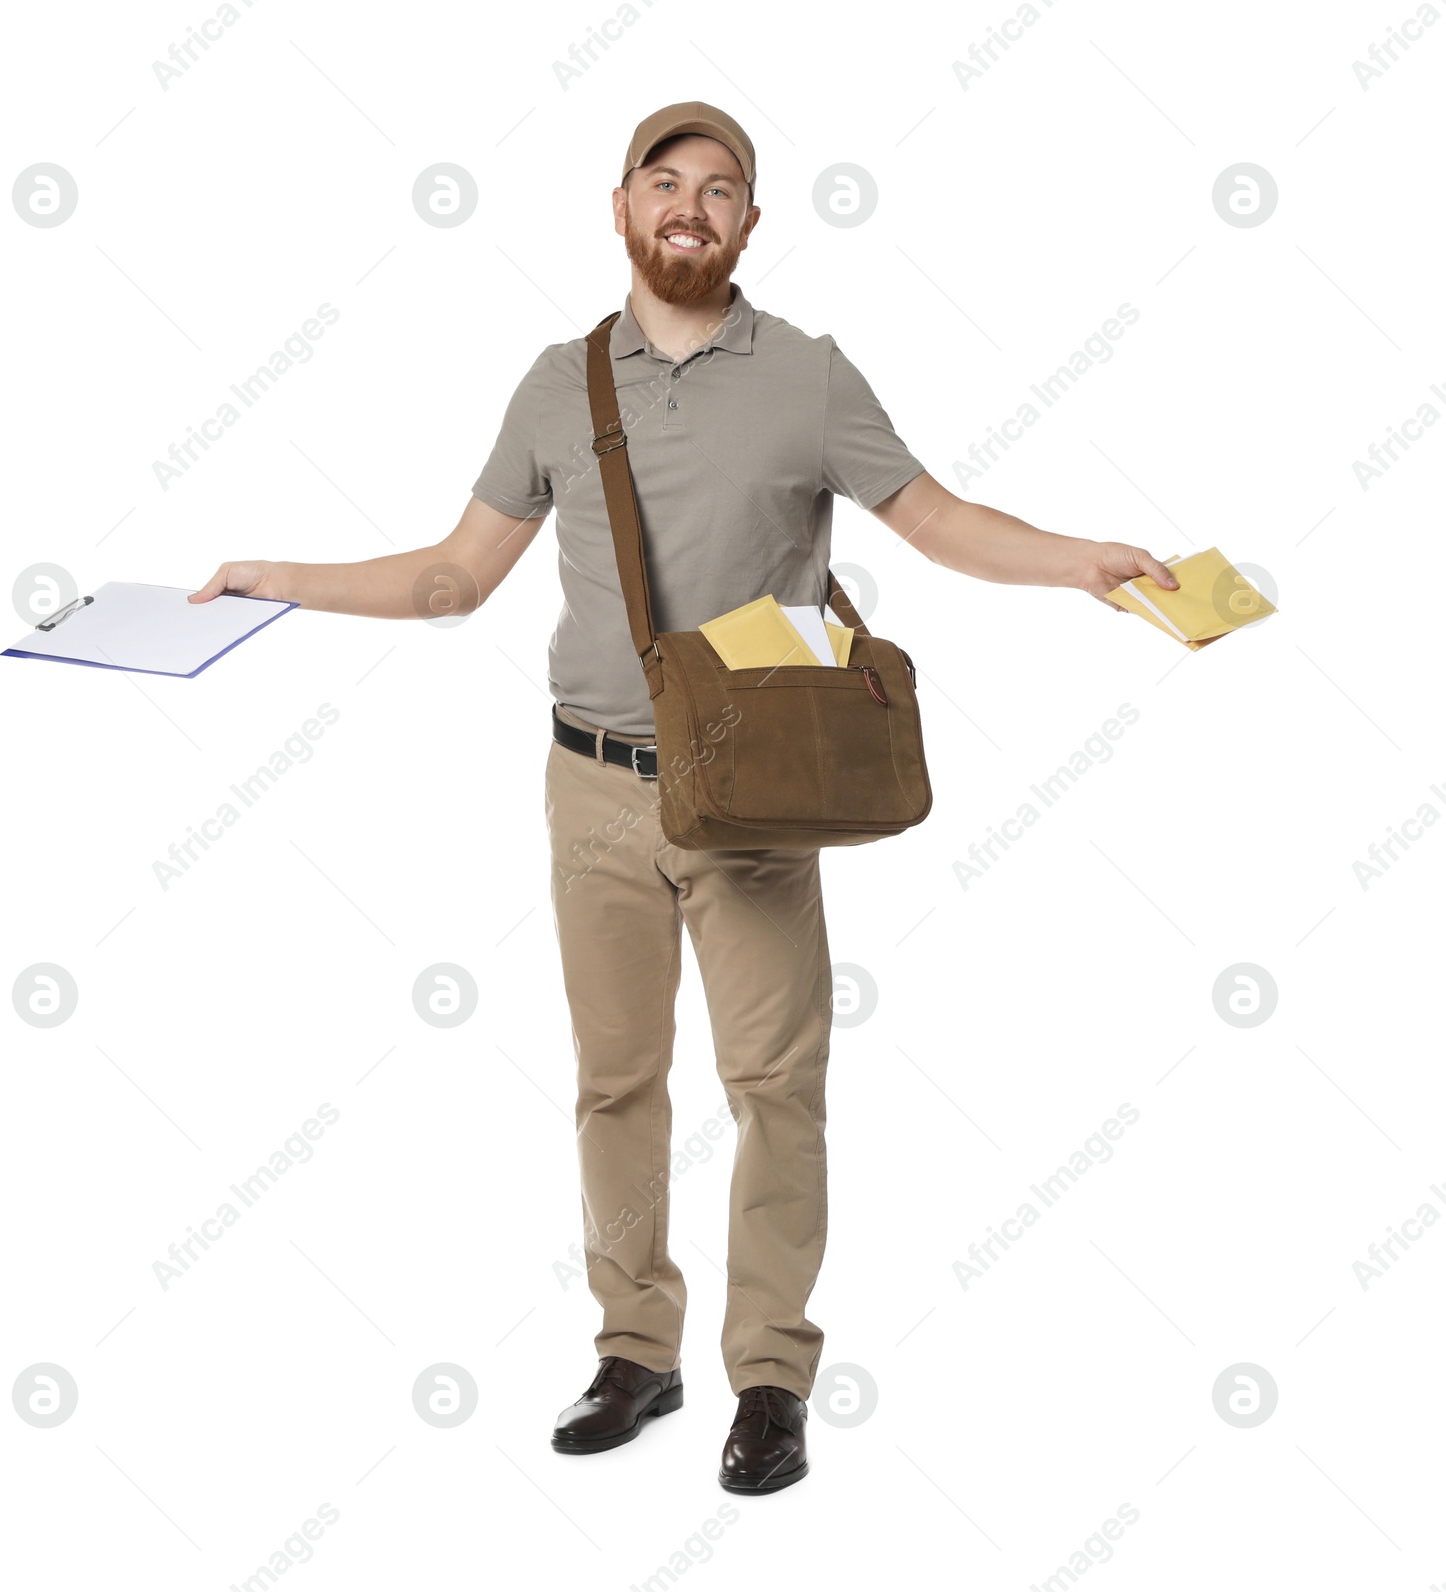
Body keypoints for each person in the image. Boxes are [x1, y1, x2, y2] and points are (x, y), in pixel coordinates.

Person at [191, 100, 1179, 1495]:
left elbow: (937, 519)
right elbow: (454, 579)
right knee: (615, 1086)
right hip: (589, 785)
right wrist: (279, 578)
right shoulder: (556, 382)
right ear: (620, 208)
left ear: (751, 226)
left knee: (777, 1087)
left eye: (724, 191)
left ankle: (769, 1375)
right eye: (669, 184)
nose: (694, 209)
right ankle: (635, 1349)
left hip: (756, 795)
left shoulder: (812, 378)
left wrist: (1079, 558)